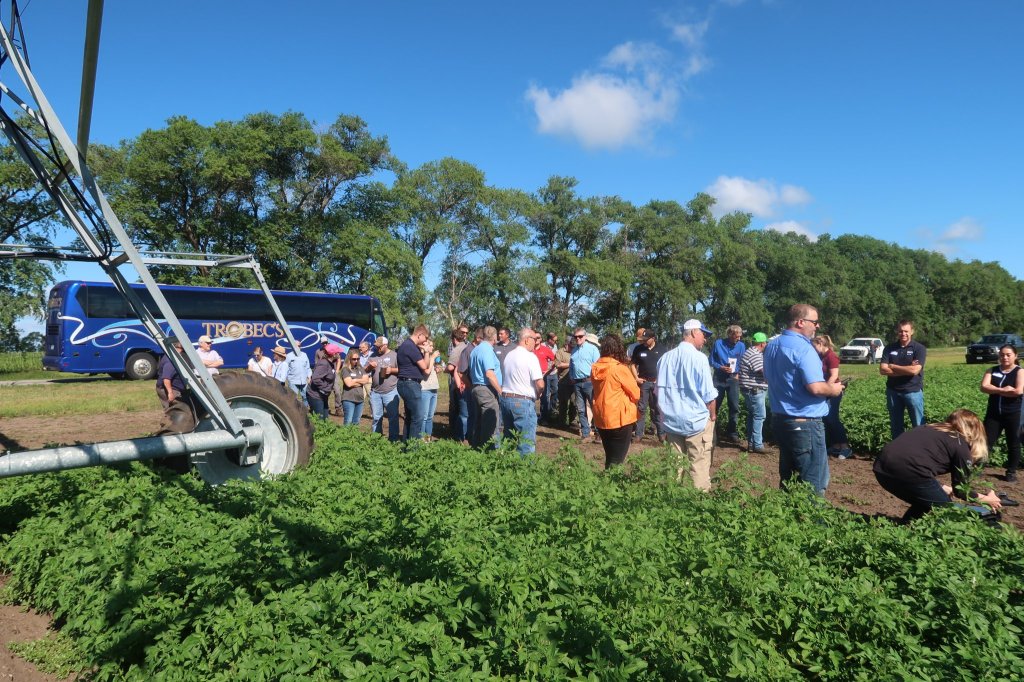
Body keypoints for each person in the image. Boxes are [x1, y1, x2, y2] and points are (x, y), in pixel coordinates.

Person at [763, 304, 844, 496]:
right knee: (813, 481)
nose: (817, 326)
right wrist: (833, 389)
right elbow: (816, 387)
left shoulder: (772, 345)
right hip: (805, 424)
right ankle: (812, 515)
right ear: (801, 322)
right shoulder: (804, 348)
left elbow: (767, 378)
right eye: (814, 322)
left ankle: (786, 513)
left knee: (789, 478)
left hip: (780, 420)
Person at [873, 409, 1001, 522]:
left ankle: (906, 525)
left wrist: (941, 488)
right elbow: (961, 491)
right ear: (976, 431)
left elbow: (918, 460)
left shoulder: (928, 428)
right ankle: (984, 520)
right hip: (908, 471)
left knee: (927, 499)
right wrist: (986, 499)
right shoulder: (961, 445)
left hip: (881, 468)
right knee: (945, 508)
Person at [658, 319, 719, 491]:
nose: (705, 339)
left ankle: (672, 497)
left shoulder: (665, 358)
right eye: (703, 334)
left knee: (674, 465)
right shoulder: (699, 358)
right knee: (698, 464)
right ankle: (698, 500)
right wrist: (712, 416)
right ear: (693, 333)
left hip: (671, 421)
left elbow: (658, 391)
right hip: (696, 421)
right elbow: (709, 394)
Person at [592, 334, 641, 468]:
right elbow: (636, 394)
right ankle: (612, 481)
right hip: (619, 419)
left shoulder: (595, 368)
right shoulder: (619, 369)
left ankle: (606, 479)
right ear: (618, 348)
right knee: (617, 461)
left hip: (601, 418)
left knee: (610, 457)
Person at [980, 344, 1023, 482]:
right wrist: (1003, 390)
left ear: (1015, 356)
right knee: (986, 441)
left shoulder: (1020, 372)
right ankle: (978, 468)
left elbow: (1018, 391)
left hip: (1014, 414)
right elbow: (983, 387)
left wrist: (994, 389)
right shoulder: (992, 370)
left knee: (1013, 443)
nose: (1005, 357)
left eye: (1008, 355)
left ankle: (1011, 472)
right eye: (1002, 355)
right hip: (994, 414)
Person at [498, 328, 545, 455]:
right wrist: (538, 393)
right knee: (526, 442)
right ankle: (524, 466)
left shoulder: (509, 355)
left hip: (506, 399)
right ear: (526, 340)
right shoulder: (530, 357)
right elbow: (540, 384)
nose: (536, 342)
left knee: (509, 438)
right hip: (522, 402)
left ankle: (504, 463)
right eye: (534, 339)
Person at [880, 319, 927, 439]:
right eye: (901, 331)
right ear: (897, 332)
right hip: (893, 392)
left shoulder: (919, 348)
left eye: (906, 331)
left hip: (913, 392)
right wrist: (907, 370)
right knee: (896, 426)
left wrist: (893, 366)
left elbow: (915, 371)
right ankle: (899, 449)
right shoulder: (889, 348)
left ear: (912, 332)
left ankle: (921, 448)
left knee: (918, 425)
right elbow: (883, 370)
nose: (903, 334)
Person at [812, 334, 852, 459]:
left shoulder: (831, 356)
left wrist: (826, 389)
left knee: (833, 418)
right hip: (826, 390)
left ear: (820, 344)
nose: (813, 349)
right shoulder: (820, 356)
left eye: (814, 346)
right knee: (826, 418)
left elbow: (834, 375)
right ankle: (835, 445)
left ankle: (845, 447)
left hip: (833, 391)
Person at [395, 326, 432, 442]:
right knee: (418, 417)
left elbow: (425, 365)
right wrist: (427, 351)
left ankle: (406, 445)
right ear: (420, 335)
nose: (426, 341)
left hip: (407, 383)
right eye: (425, 338)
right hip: (410, 384)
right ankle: (413, 448)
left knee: (410, 417)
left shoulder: (408, 345)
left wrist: (425, 352)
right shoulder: (410, 346)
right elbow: (424, 366)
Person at [709, 324, 745, 443]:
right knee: (715, 405)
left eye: (740, 336)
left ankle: (732, 433)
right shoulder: (718, 343)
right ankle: (712, 431)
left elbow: (742, 362)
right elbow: (711, 360)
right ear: (730, 334)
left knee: (734, 406)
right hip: (719, 378)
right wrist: (720, 367)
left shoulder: (741, 346)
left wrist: (736, 371)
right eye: (736, 336)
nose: (738, 339)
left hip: (732, 379)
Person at [469, 326, 503, 449]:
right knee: (490, 425)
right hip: (486, 390)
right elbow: (489, 373)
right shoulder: (487, 350)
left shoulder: (475, 350)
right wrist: (500, 391)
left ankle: (477, 449)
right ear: (494, 337)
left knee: (479, 423)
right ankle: (490, 452)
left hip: (476, 388)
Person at [630, 329, 665, 443]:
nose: (644, 341)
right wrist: (636, 378)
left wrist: (662, 380)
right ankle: (638, 434)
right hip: (643, 383)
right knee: (641, 408)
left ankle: (661, 434)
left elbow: (666, 366)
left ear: (653, 338)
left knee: (657, 408)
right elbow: (633, 364)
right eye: (643, 339)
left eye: (646, 339)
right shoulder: (638, 349)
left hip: (657, 384)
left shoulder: (662, 349)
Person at [738, 332, 769, 454]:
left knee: (753, 416)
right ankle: (757, 444)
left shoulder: (750, 352)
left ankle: (751, 444)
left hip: (751, 390)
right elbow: (764, 372)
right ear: (762, 343)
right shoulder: (755, 355)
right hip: (755, 390)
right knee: (759, 416)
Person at [570, 327, 600, 443]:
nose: (578, 338)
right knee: (581, 409)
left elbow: (598, 366)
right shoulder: (574, 351)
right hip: (577, 383)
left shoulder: (593, 349)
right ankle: (586, 434)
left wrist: (595, 380)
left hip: (589, 382)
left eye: (580, 336)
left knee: (594, 408)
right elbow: (571, 365)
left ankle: (599, 434)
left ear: (585, 337)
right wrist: (571, 376)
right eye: (576, 337)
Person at [368, 336, 400, 441]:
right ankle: (376, 440)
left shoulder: (394, 355)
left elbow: (402, 369)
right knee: (376, 418)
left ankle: (393, 440)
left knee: (393, 417)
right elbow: (365, 370)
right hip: (375, 392)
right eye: (376, 346)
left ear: (385, 345)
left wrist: (392, 370)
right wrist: (370, 367)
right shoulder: (373, 355)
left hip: (390, 391)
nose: (378, 348)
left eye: (380, 346)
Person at [458, 327, 484, 444]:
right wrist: (471, 386)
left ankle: (476, 438)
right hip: (471, 388)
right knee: (469, 414)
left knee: (478, 414)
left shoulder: (480, 350)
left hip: (479, 388)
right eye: (483, 339)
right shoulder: (467, 351)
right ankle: (466, 439)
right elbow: (461, 373)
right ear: (478, 338)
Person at [445, 325, 470, 442]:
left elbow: (451, 367)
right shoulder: (468, 347)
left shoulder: (457, 349)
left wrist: (443, 369)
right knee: (466, 410)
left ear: (454, 339)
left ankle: (459, 436)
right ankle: (466, 435)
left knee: (459, 410)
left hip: (459, 383)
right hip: (468, 382)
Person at [307, 343, 343, 419]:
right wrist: (326, 388)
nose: (339, 354)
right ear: (333, 354)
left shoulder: (331, 363)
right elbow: (315, 379)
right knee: (319, 419)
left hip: (323, 395)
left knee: (325, 419)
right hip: (315, 395)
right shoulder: (323, 364)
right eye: (338, 352)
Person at [339, 349, 371, 426]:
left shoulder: (360, 368)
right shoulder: (345, 369)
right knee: (348, 421)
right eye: (354, 359)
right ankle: (345, 434)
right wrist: (360, 381)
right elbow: (349, 384)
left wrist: (355, 380)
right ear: (349, 359)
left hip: (360, 399)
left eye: (358, 359)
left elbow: (366, 380)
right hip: (348, 399)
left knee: (356, 422)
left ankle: (354, 434)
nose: (356, 361)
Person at [419, 337, 442, 441]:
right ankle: (422, 440)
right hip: (425, 389)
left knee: (430, 417)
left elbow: (430, 370)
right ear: (425, 345)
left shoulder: (430, 357)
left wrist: (436, 369)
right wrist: (432, 357)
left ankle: (427, 440)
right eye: (431, 345)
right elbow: (426, 372)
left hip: (434, 388)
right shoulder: (422, 357)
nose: (432, 348)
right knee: (423, 417)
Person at [155, 337, 187, 410]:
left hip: (176, 388)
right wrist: (170, 393)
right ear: (179, 345)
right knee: (177, 409)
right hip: (171, 389)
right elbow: (166, 378)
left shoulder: (177, 356)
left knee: (178, 409)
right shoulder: (171, 360)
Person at [534, 331, 557, 424]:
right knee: (531, 396)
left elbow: (555, 360)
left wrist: (548, 370)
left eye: (538, 337)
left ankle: (544, 418)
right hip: (531, 377)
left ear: (541, 339)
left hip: (543, 376)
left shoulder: (545, 349)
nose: (536, 339)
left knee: (544, 397)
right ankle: (532, 417)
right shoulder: (529, 349)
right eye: (535, 337)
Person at [554, 339, 573, 427]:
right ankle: (562, 422)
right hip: (563, 382)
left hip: (574, 382)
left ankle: (572, 421)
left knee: (574, 403)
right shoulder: (560, 352)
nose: (572, 346)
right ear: (567, 344)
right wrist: (571, 364)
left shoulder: (576, 351)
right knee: (563, 403)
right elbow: (558, 364)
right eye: (571, 345)